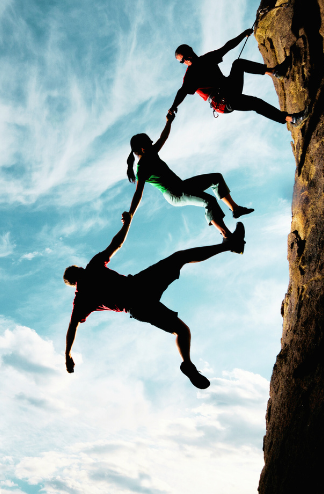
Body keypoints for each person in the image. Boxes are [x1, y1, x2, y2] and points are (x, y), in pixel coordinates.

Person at [62, 212, 245, 389]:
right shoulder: (92, 267)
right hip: (140, 286)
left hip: (138, 308)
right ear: (78, 270)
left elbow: (72, 327)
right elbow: (116, 244)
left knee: (182, 330)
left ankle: (187, 363)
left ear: (73, 284)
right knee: (180, 257)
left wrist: (67, 354)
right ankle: (229, 245)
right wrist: (126, 224)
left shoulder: (80, 299)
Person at [126, 110, 251, 240]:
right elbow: (138, 193)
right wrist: (130, 214)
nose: (152, 144)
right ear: (142, 148)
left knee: (216, 178)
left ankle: (235, 209)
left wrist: (168, 122)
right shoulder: (142, 168)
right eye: (149, 143)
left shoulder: (151, 154)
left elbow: (163, 137)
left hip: (182, 186)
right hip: (174, 193)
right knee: (209, 201)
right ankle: (228, 237)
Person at [167, 28, 302, 124]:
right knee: (255, 103)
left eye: (184, 58)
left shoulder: (206, 59)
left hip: (229, 88)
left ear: (190, 51)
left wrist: (243, 34)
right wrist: (173, 106)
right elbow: (182, 91)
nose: (184, 62)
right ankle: (291, 118)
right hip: (223, 101)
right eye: (181, 61)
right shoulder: (191, 75)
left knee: (238, 64)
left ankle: (275, 72)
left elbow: (227, 47)